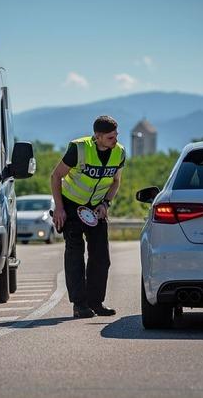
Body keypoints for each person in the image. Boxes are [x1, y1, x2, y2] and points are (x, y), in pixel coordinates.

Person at [50, 116, 125, 318]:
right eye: (110, 137)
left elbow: (115, 182)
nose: (115, 140)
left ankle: (96, 302)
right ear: (98, 137)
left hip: (96, 209)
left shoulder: (119, 153)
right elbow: (56, 176)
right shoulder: (79, 149)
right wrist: (59, 208)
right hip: (72, 205)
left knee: (101, 257)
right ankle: (80, 305)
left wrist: (105, 203)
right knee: (75, 254)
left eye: (116, 135)